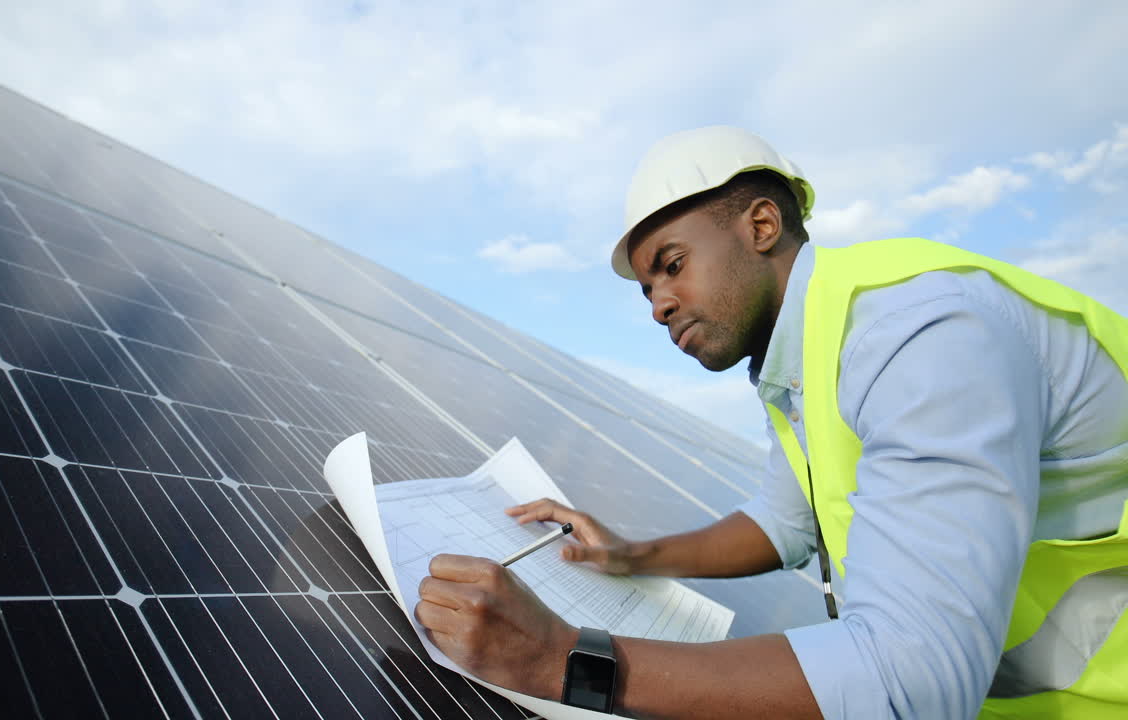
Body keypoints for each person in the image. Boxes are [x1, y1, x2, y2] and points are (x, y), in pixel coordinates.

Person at [414, 126, 1128, 719]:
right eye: (648, 287)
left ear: (762, 225)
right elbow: (783, 523)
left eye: (671, 264)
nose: (658, 304)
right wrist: (627, 555)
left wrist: (562, 660)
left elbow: (914, 681)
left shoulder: (921, 340)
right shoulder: (807, 360)